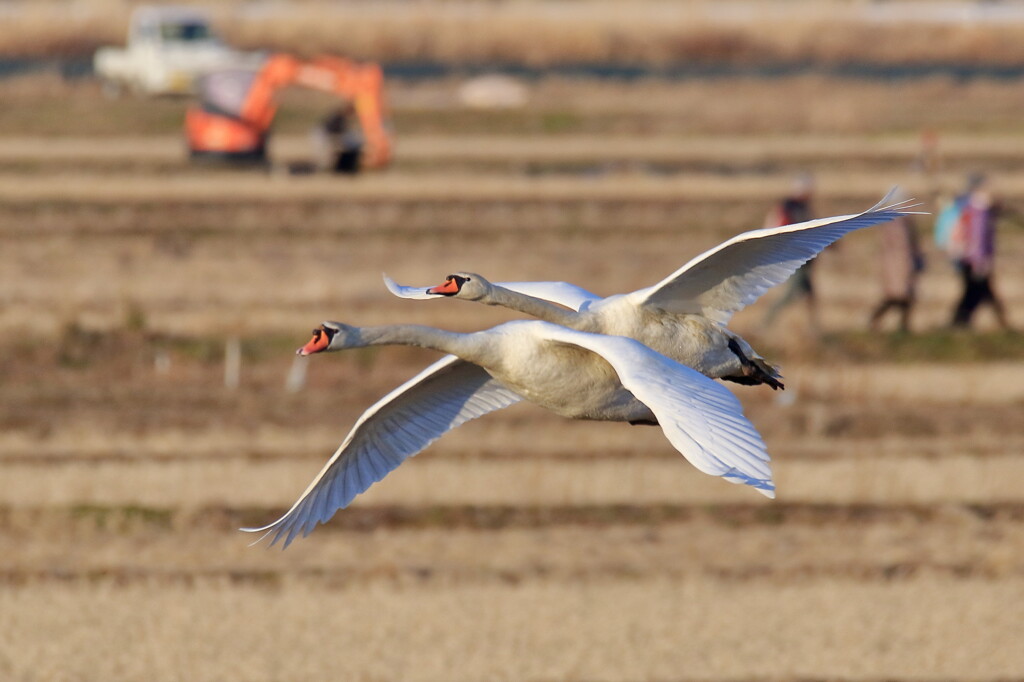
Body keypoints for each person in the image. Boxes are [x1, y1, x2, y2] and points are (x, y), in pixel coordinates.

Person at [946, 177, 1012, 329]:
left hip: (968, 258)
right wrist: (980, 261)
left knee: (977, 293)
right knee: (976, 293)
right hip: (975, 260)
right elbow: (978, 239)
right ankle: (960, 323)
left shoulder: (970, 209)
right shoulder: (980, 212)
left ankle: (960, 323)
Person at [762, 174, 820, 334]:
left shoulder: (802, 206)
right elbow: (782, 229)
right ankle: (765, 324)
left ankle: (814, 328)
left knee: (809, 294)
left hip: (805, 256)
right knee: (792, 292)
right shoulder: (790, 207)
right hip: (796, 256)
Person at [868, 210, 924, 333]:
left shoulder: (894, 224)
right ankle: (878, 321)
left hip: (897, 268)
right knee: (898, 298)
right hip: (900, 269)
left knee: (901, 299)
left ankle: (902, 327)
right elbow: (903, 250)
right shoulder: (900, 225)